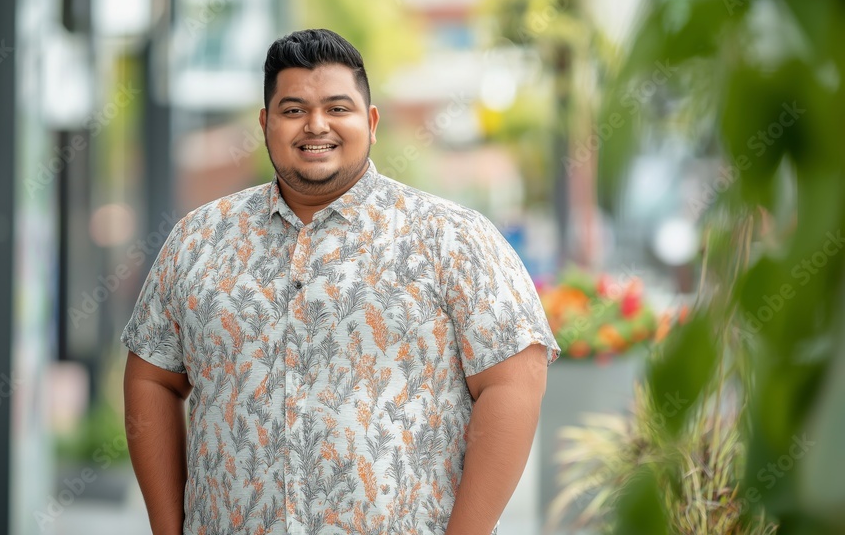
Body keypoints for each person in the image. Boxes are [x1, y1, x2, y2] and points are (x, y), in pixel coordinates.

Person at [122, 28, 560, 535]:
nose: (315, 125)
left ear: (370, 122)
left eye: (337, 108)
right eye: (292, 110)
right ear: (265, 124)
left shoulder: (451, 239)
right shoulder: (197, 241)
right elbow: (152, 374)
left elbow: (515, 380)